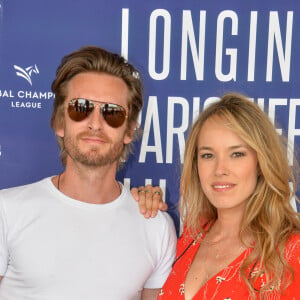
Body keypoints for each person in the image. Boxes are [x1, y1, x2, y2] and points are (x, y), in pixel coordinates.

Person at [0, 46, 177, 300]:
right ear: (60, 122)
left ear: (129, 131)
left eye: (112, 113)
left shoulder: (156, 227)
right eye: (81, 108)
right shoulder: (7, 211)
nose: (95, 123)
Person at [141, 93, 300, 299]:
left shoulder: (291, 252)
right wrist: (141, 206)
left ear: (261, 163)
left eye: (236, 154)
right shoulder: (193, 233)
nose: (220, 169)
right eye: (208, 155)